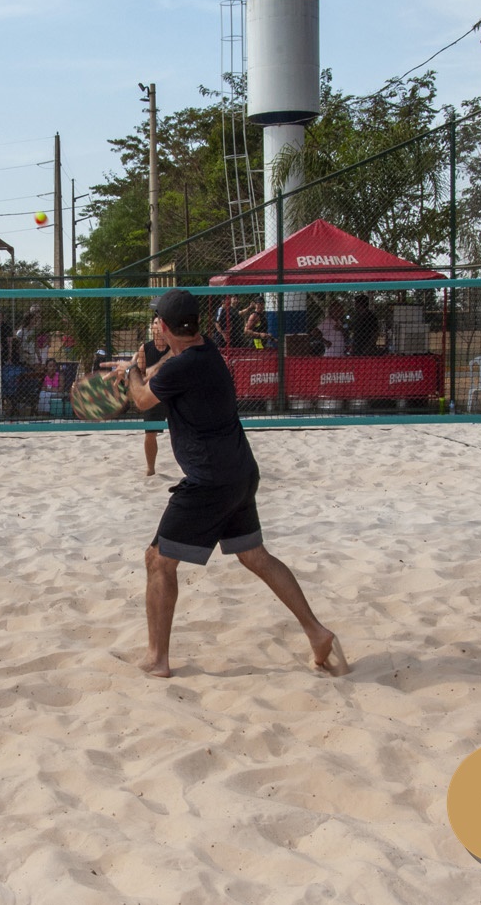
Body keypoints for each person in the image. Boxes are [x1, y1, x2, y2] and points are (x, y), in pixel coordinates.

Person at [110, 288, 348, 679]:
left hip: (209, 481)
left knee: (157, 560)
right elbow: (167, 368)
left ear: (164, 326)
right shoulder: (206, 352)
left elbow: (141, 399)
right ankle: (316, 631)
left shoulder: (180, 368)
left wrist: (134, 370)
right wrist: (144, 366)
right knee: (255, 556)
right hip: (240, 471)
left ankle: (157, 659)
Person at [140, 315, 171, 476]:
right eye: (155, 323)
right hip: (152, 395)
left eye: (161, 322)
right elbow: (140, 373)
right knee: (150, 433)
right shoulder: (145, 349)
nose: (158, 326)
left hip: (172, 395)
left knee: (184, 432)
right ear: (152, 328)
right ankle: (150, 468)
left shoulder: (174, 346)